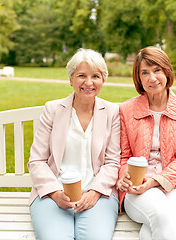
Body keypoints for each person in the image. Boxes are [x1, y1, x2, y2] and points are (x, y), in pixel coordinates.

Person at [28, 48, 120, 240]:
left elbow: (112, 163)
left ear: (103, 80)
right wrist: (55, 193)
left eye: (96, 76)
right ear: (71, 80)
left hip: (98, 195)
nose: (88, 82)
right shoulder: (53, 110)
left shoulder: (112, 112)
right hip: (53, 193)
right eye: (81, 76)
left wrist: (94, 193)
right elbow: (37, 161)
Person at [117, 46, 176, 240]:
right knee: (162, 216)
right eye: (144, 73)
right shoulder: (126, 110)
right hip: (138, 188)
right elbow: (123, 156)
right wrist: (124, 177)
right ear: (138, 79)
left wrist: (155, 181)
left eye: (157, 70)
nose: (152, 78)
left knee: (150, 233)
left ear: (167, 72)